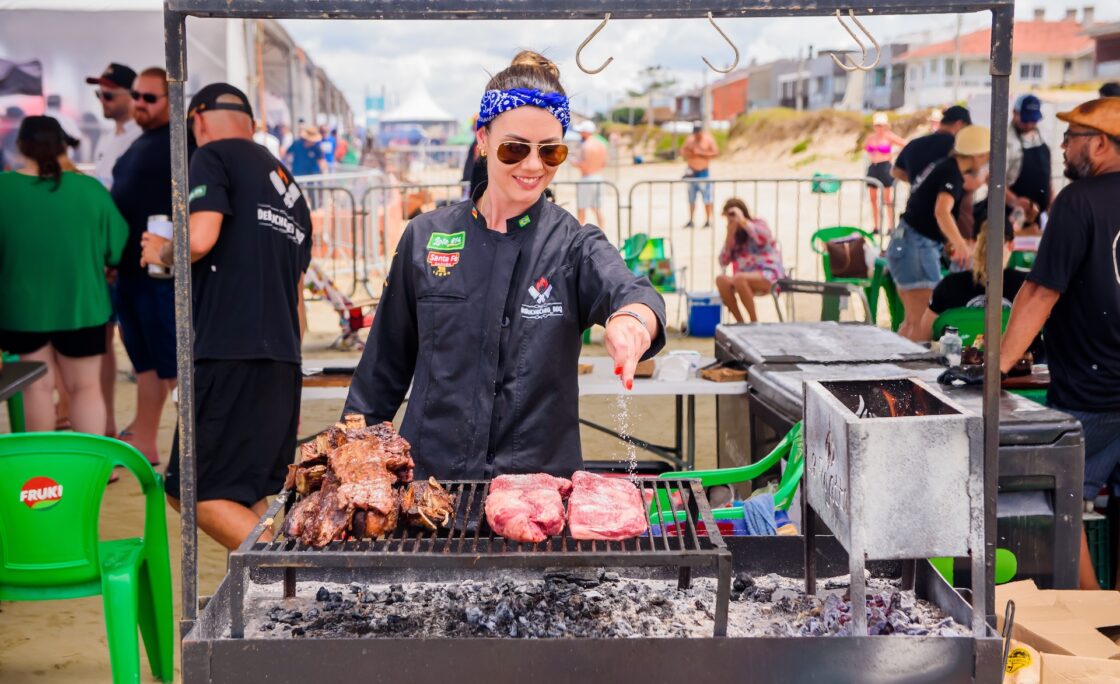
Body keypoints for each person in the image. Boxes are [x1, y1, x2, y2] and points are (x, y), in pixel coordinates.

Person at [343, 50, 666, 481]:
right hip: (432, 485)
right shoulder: (425, 236)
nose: (532, 165)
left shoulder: (572, 244)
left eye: (550, 152)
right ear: (483, 139)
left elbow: (633, 292)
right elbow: (381, 373)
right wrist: (348, 465)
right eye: (514, 148)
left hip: (539, 490)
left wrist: (634, 321)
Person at [140, 83, 311, 550]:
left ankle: (291, 576)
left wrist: (162, 251)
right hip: (282, 361)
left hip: (230, 351)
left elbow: (199, 238)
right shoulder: (291, 188)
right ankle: (284, 582)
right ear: (251, 124)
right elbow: (298, 302)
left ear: (197, 120)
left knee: (192, 491)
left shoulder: (212, 156)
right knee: (248, 492)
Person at [1000, 98, 1120, 590]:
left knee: (1056, 493)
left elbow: (1039, 293)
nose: (1064, 147)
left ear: (1100, 144)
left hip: (1093, 390)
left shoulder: (1077, 201)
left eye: (1072, 138)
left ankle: (1092, 614)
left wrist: (998, 364)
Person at [0, 117, 127, 435]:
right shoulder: (89, 190)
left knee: (35, 388)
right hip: (82, 307)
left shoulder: (4, 189)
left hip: (21, 309)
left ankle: (41, 465)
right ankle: (91, 462)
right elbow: (117, 249)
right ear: (62, 146)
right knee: (86, 387)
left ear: (21, 146)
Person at [110, 66, 176, 465]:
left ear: (172, 99)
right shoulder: (141, 141)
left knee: (175, 366)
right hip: (131, 273)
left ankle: (197, 451)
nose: (139, 103)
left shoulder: (184, 141)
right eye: (135, 95)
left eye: (149, 98)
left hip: (162, 275)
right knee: (146, 364)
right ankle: (144, 439)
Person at [887, 125, 990, 341]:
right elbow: (941, 211)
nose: (987, 160)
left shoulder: (946, 167)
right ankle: (911, 364)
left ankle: (897, 362)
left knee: (912, 322)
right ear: (977, 155)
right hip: (915, 247)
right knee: (922, 323)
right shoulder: (951, 172)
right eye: (987, 155)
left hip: (908, 244)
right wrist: (959, 243)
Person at [714, 198, 785, 323]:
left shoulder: (758, 224)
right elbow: (723, 261)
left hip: (768, 274)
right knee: (721, 280)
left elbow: (763, 238)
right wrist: (729, 234)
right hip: (743, 279)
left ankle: (754, 322)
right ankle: (740, 323)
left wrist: (743, 221)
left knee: (739, 278)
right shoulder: (734, 235)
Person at [87, 63, 141, 189]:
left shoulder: (142, 138)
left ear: (132, 96)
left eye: (108, 96)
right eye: (99, 94)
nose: (102, 100)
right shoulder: (106, 138)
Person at [892, 105, 972, 185]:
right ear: (959, 124)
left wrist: (919, 182)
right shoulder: (958, 146)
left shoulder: (914, 144)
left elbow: (895, 171)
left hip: (919, 192)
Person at [1006, 94, 1053, 213]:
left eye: (1033, 120)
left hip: (1041, 212)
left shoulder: (1043, 135)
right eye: (1025, 120)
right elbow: (992, 181)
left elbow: (1047, 175)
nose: (1029, 124)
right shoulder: (1006, 141)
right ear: (1014, 112)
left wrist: (1051, 197)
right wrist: (1015, 201)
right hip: (1012, 213)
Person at [863, 112, 906, 234]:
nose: (879, 128)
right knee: (873, 199)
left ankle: (890, 226)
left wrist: (893, 153)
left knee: (887, 199)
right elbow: (866, 148)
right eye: (877, 125)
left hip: (885, 166)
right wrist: (872, 153)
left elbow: (905, 144)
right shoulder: (871, 138)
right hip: (873, 167)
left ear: (886, 125)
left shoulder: (889, 136)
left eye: (881, 125)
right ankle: (876, 226)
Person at [681, 123, 719, 228]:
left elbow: (715, 153)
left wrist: (701, 154)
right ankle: (691, 220)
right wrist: (690, 153)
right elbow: (683, 151)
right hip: (692, 171)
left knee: (707, 197)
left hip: (703, 172)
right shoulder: (690, 140)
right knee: (691, 197)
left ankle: (707, 220)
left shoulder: (708, 139)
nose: (696, 136)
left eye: (698, 133)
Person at [574, 119, 606, 227]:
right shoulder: (601, 144)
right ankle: (602, 230)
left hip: (587, 178)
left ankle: (579, 232)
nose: (580, 133)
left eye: (581, 131)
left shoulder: (586, 145)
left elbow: (585, 165)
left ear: (586, 132)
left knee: (581, 208)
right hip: (598, 177)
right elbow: (604, 163)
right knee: (597, 208)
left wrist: (574, 163)